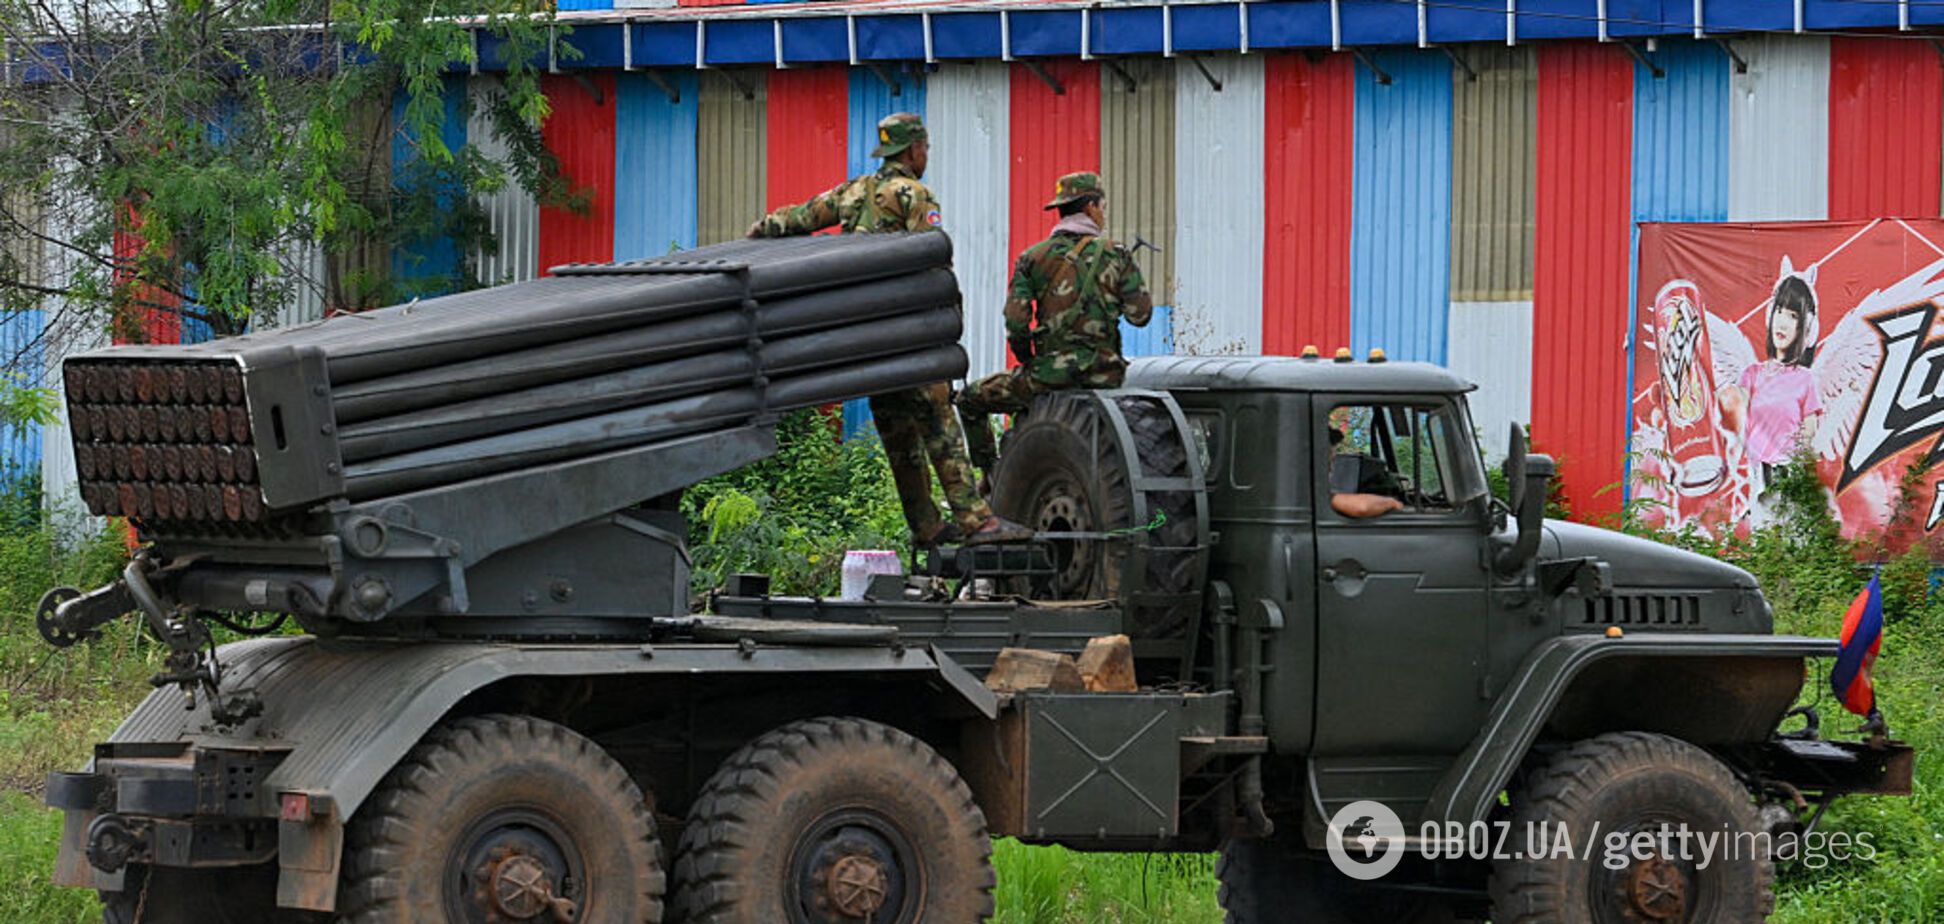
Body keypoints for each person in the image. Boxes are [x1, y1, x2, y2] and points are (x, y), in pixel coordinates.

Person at [748, 112, 1031, 547]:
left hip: (867, 340)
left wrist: (762, 229)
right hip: (909, 334)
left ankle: (926, 526)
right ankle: (977, 522)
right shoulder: (914, 195)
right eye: (925, 149)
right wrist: (946, 323)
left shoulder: (852, 191)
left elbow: (799, 218)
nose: (926, 157)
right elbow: (933, 261)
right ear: (914, 149)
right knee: (939, 424)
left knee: (899, 437)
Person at [956, 172, 1153, 471]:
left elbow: (1016, 322)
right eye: (1103, 207)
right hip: (1106, 374)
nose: (1103, 214)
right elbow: (1141, 317)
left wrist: (1030, 360)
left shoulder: (1032, 258)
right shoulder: (1117, 254)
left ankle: (991, 475)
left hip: (1048, 378)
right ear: (1090, 208)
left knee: (969, 400)